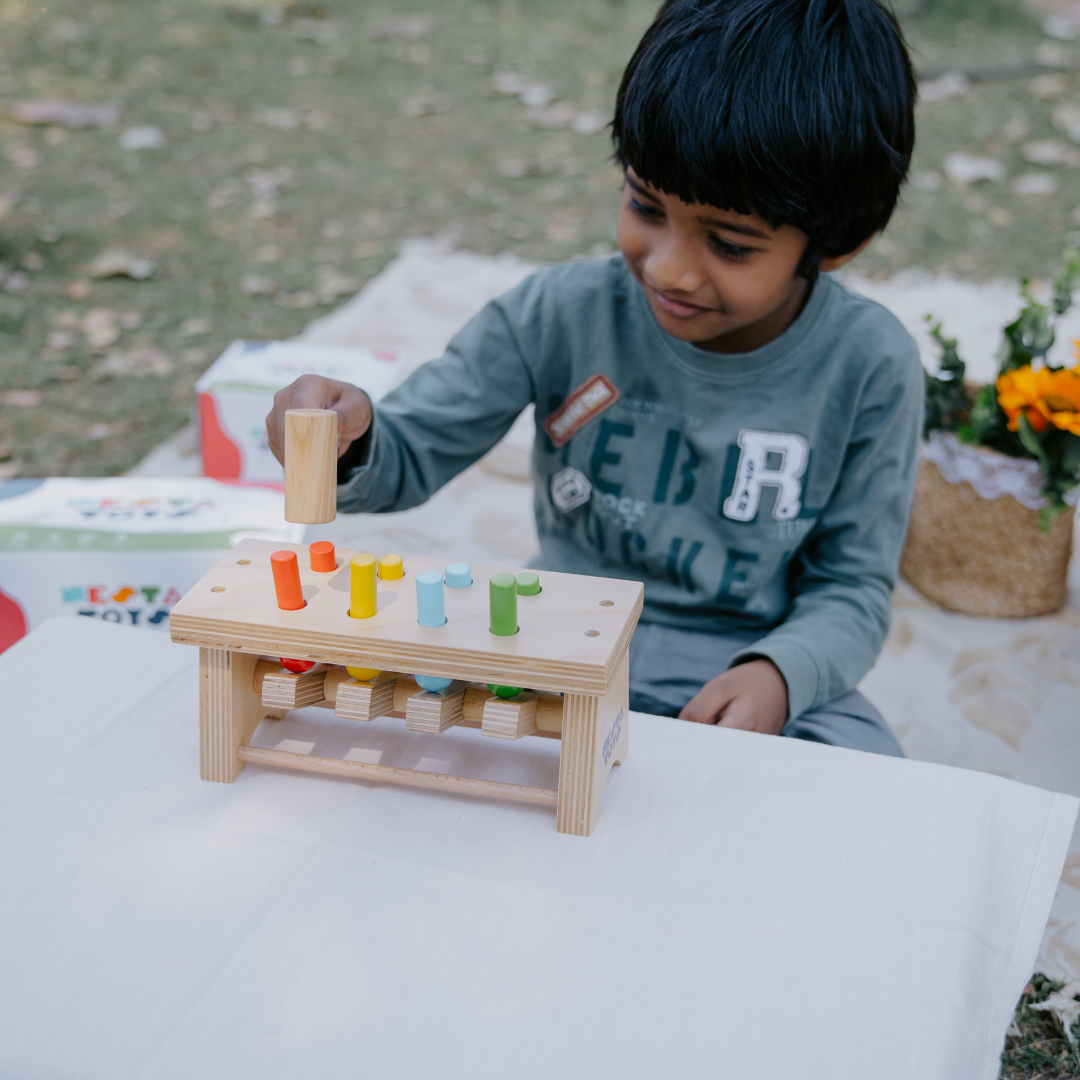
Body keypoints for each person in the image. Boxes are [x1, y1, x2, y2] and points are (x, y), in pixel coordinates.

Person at [266, 0, 922, 756]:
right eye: (646, 206)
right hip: (558, 637)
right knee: (417, 733)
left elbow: (853, 588)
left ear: (837, 243)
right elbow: (410, 449)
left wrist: (778, 676)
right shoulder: (554, 313)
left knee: (871, 779)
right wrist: (347, 435)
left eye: (732, 244)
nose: (670, 267)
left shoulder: (871, 365)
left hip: (746, 665)